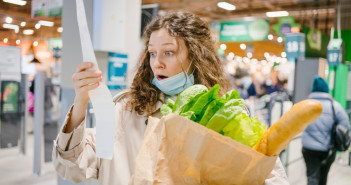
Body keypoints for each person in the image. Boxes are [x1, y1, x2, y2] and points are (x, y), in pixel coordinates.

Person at [52, 11, 289, 185]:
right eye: (152, 53)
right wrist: (81, 101)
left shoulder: (225, 113)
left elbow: (270, 177)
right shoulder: (128, 109)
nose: (157, 63)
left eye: (169, 52)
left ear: (196, 56)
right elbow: (73, 166)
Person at [301, 76, 350, 185]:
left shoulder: (305, 105)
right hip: (327, 149)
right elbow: (346, 126)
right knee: (323, 177)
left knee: (312, 176)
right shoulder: (335, 106)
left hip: (308, 149)